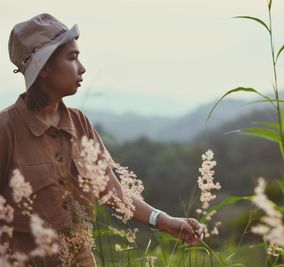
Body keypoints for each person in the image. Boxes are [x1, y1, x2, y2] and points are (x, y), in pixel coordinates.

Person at [0, 13, 204, 266]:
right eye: (72, 58)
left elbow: (112, 192)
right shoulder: (6, 129)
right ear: (45, 68)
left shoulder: (80, 123)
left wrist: (165, 221)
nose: (82, 68)